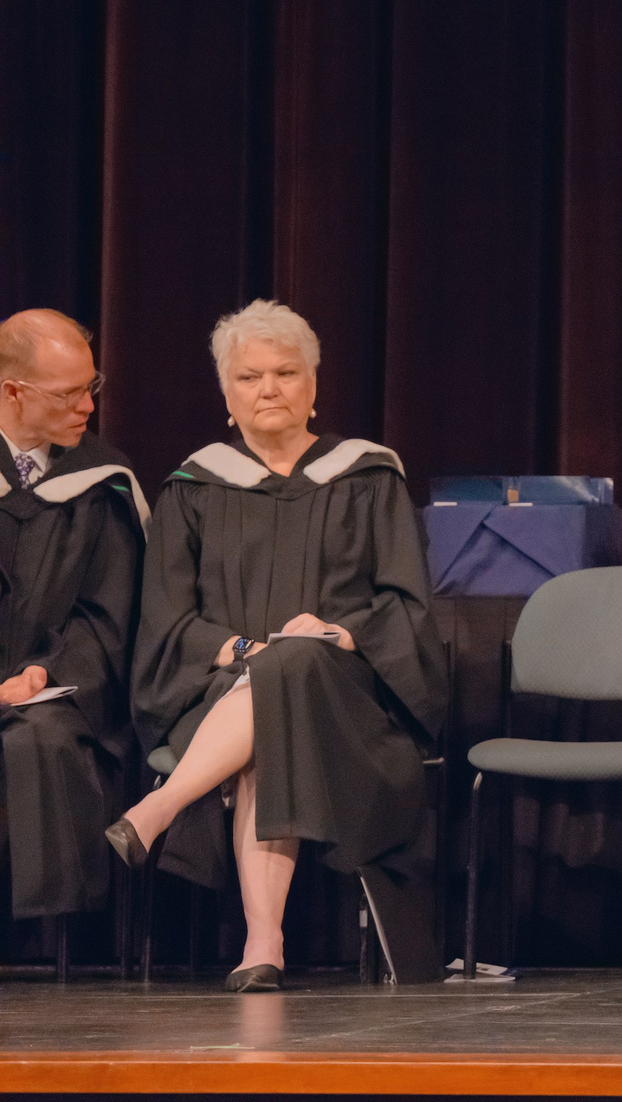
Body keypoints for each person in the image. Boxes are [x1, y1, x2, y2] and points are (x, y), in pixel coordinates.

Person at [109, 300, 445, 991]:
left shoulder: (368, 477)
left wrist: (337, 632)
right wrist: (238, 646)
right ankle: (265, 940)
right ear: (226, 394)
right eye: (249, 375)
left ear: (314, 384)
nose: (268, 388)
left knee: (292, 667)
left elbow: (407, 608)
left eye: (286, 372)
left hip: (351, 699)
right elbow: (166, 620)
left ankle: (162, 808)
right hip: (221, 692)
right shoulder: (193, 487)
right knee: (276, 686)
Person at [0, 310, 146, 931]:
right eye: (67, 393)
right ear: (12, 392)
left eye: (92, 386)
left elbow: (109, 615)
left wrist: (41, 673)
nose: (87, 405)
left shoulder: (102, 483)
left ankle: (50, 938)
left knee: (44, 739)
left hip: (55, 689)